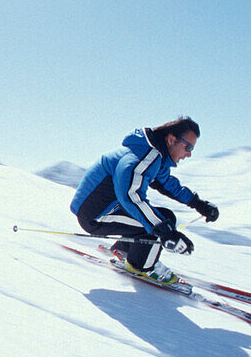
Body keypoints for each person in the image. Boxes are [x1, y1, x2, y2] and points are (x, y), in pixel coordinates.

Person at [70, 117, 220, 284]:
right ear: (171, 139)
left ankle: (127, 251)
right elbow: (131, 196)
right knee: (157, 224)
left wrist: (198, 203)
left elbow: (167, 184)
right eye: (188, 147)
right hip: (95, 215)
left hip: (107, 207)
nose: (189, 154)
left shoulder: (153, 155)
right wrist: (165, 232)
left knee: (164, 216)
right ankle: (141, 267)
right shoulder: (144, 156)